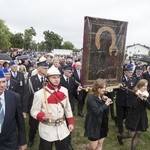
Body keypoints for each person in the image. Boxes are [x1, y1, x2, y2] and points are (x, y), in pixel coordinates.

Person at [30, 66, 74, 150]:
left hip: (62, 128)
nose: (56, 79)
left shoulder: (64, 90)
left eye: (58, 77)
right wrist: (42, 116)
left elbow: (67, 108)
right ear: (47, 79)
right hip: (47, 129)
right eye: (53, 77)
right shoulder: (39, 94)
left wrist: (70, 122)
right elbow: (34, 111)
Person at [22, 56, 49, 147]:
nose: (46, 70)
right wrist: (25, 110)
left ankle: (45, 140)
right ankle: (31, 139)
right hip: (35, 107)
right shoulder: (31, 80)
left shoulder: (49, 80)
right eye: (45, 68)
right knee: (33, 126)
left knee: (46, 125)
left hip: (46, 107)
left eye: (47, 68)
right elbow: (26, 96)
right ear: (39, 69)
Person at [117, 79, 150, 150]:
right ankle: (120, 136)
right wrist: (139, 97)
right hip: (133, 116)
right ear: (140, 86)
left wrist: (145, 99)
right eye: (144, 86)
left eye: (146, 86)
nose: (145, 88)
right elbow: (134, 105)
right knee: (131, 134)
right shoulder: (133, 92)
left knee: (137, 134)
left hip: (142, 117)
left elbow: (149, 107)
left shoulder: (146, 94)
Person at [0, 69, 27, 150]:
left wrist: (22, 141)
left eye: (3, 82)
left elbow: (20, 121)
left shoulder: (14, 97)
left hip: (10, 141)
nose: (2, 85)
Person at [84, 78, 113, 150]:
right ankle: (86, 148)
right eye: (101, 88)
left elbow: (105, 111)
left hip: (103, 123)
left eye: (104, 87)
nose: (104, 89)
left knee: (100, 145)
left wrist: (106, 101)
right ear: (96, 88)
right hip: (94, 124)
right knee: (93, 147)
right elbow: (96, 111)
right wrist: (106, 104)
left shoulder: (101, 96)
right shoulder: (91, 98)